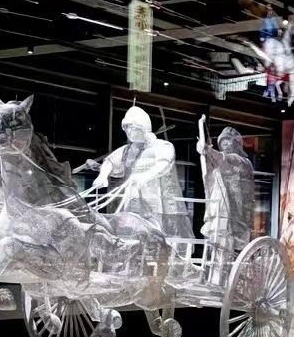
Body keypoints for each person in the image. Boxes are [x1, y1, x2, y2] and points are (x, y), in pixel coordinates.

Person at [92, 106, 194, 242]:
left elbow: (163, 165)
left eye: (132, 128)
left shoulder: (163, 146)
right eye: (126, 128)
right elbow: (110, 161)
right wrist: (102, 176)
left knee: (157, 236)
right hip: (132, 201)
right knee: (130, 232)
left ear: (143, 127)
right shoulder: (128, 149)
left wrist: (144, 177)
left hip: (158, 203)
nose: (128, 132)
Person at [196, 125, 255, 261]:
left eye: (228, 140)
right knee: (219, 237)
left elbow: (225, 159)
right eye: (222, 141)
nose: (225, 144)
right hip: (223, 207)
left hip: (238, 209)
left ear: (237, 143)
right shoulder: (222, 163)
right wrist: (205, 153)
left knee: (234, 239)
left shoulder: (243, 162)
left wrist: (208, 150)